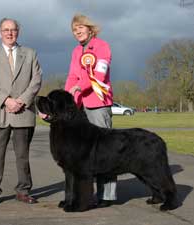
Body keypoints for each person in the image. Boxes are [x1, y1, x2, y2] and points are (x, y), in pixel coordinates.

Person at [0, 17, 42, 205]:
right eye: (6, 29)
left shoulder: (30, 54)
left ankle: (23, 190)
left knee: (22, 155)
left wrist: (22, 101)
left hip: (23, 113)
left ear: (18, 32)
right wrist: (6, 100)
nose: (10, 33)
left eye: (13, 29)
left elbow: (36, 80)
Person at [65, 13, 117, 208]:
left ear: (90, 28)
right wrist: (67, 98)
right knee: (85, 154)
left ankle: (107, 195)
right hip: (80, 106)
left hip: (99, 103)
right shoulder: (76, 51)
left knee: (105, 150)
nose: (77, 31)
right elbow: (72, 76)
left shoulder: (102, 46)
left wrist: (81, 86)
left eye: (80, 27)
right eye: (74, 29)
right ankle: (87, 194)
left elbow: (99, 75)